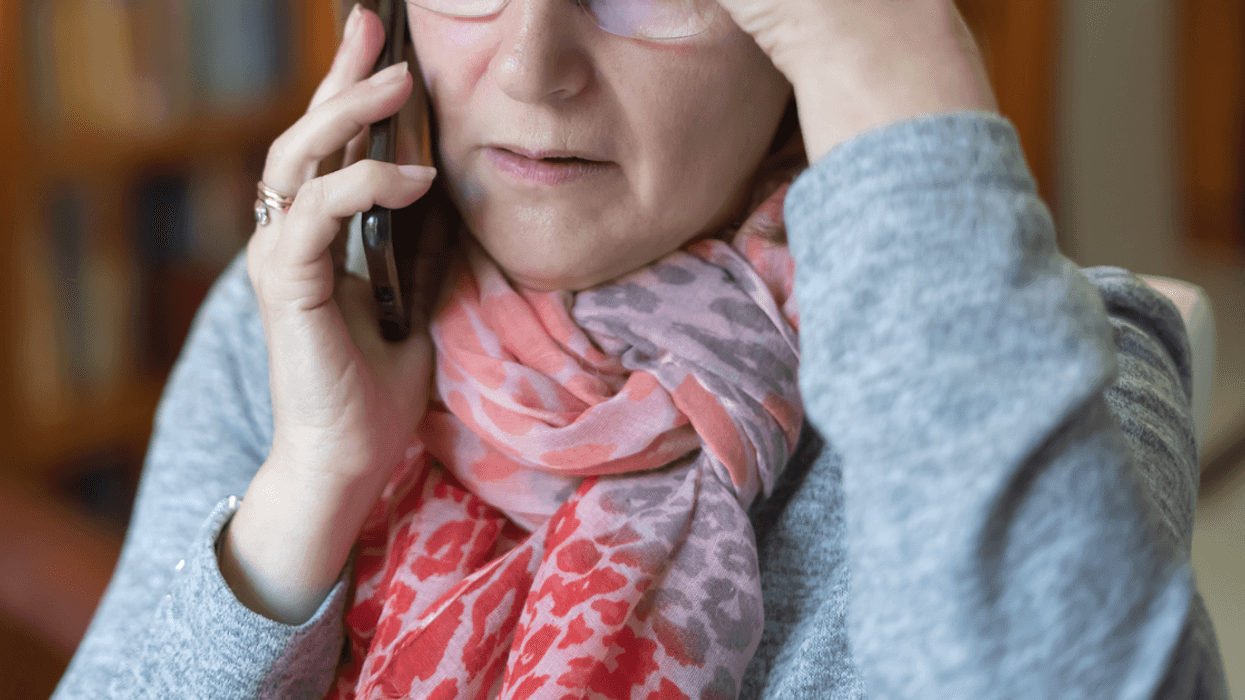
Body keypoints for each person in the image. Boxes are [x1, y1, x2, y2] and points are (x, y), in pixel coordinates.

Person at [50, 0, 1230, 697]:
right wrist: (307, 487)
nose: (530, 67)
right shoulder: (310, 319)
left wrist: (900, 80)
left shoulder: (1029, 359)